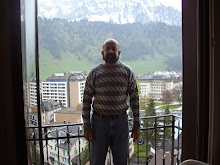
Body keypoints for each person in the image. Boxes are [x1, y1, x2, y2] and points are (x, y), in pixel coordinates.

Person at [82, 38, 140, 165]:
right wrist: (87, 126)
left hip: (121, 123)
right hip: (98, 124)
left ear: (119, 52)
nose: (110, 51)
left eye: (114, 49)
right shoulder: (94, 73)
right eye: (107, 49)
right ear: (102, 53)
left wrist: (137, 125)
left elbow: (134, 99)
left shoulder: (127, 72)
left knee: (121, 161)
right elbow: (86, 100)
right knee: (97, 161)